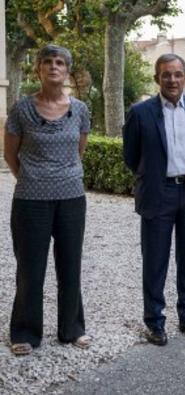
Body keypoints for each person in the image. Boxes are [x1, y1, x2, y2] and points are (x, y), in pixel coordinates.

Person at [4, 44, 91, 355]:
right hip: (30, 200)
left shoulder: (80, 109)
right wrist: (33, 179)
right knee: (30, 268)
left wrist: (60, 177)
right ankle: (25, 333)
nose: (54, 67)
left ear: (66, 71)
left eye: (60, 62)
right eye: (47, 62)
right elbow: (10, 155)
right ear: (38, 69)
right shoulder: (21, 109)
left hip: (71, 198)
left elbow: (78, 151)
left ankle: (72, 329)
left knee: (71, 265)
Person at [123, 54, 185, 345]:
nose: (172, 80)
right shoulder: (140, 113)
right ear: (157, 79)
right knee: (155, 261)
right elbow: (131, 156)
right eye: (166, 75)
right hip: (157, 193)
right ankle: (155, 322)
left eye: (177, 74)